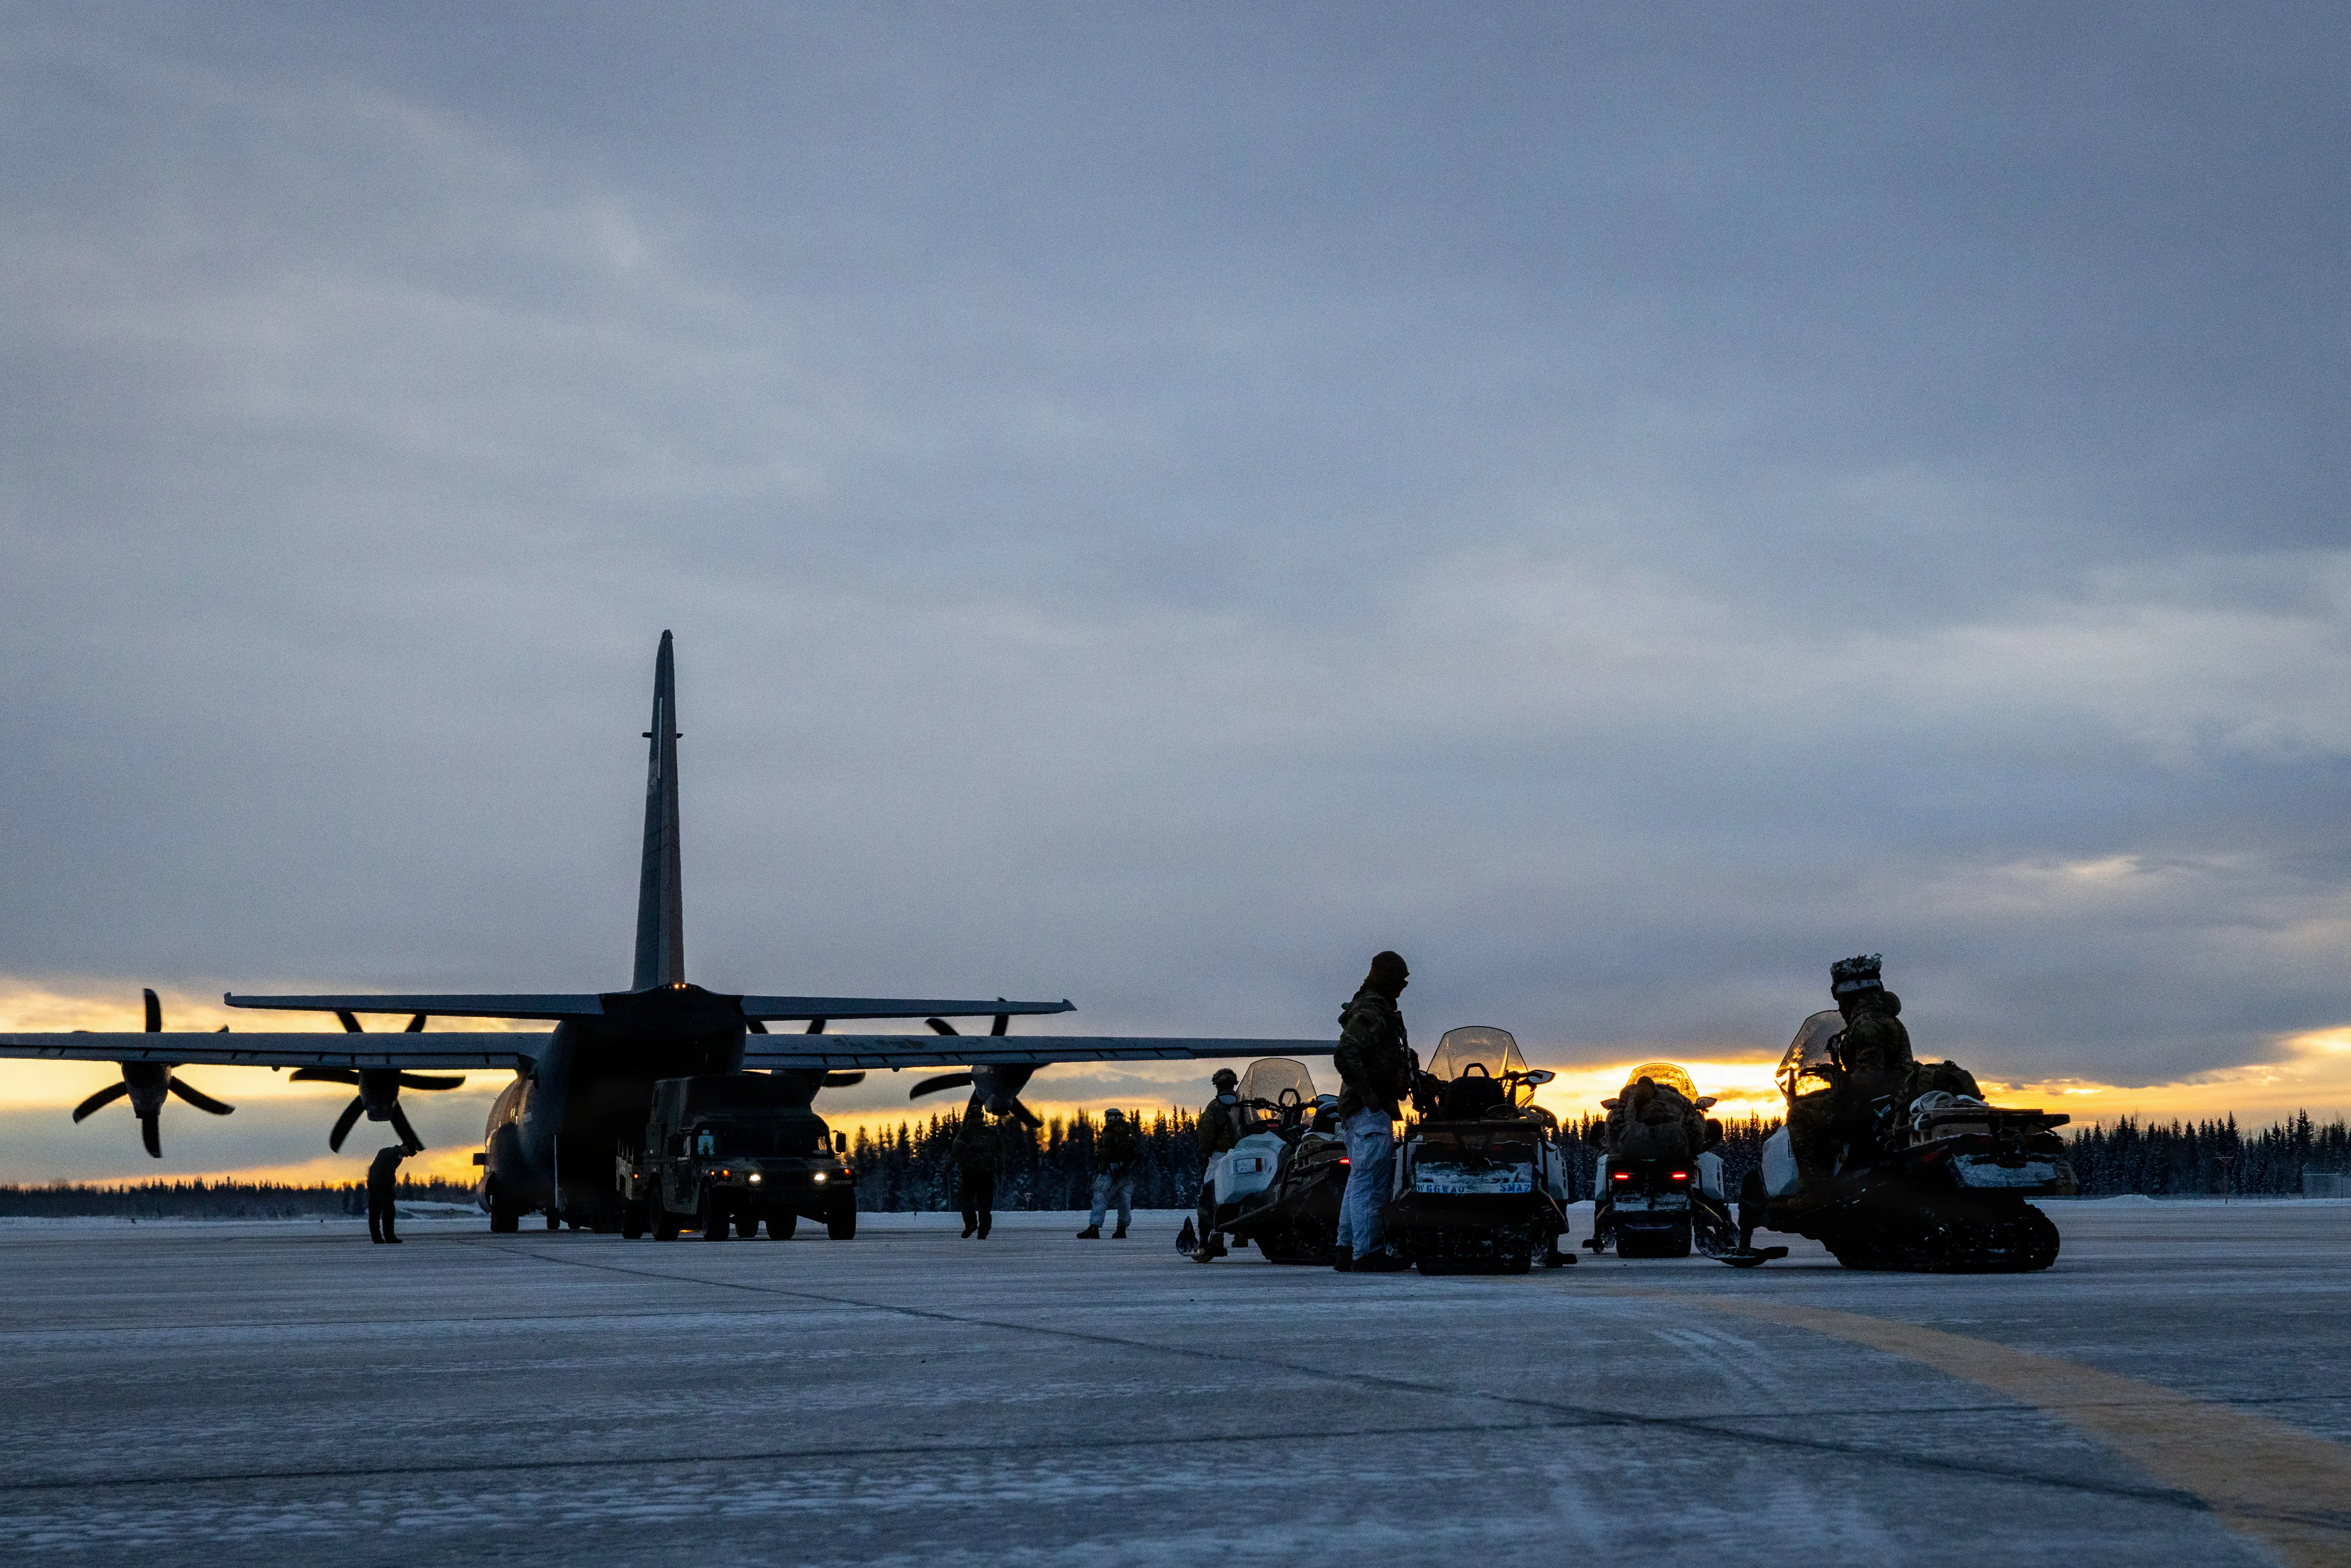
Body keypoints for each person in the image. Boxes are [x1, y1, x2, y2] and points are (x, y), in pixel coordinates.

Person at [1786, 953, 1918, 1209]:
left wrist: (1841, 1082)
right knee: (1815, 1104)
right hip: (1890, 1102)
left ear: (1850, 996)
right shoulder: (1885, 1019)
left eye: (1841, 1000)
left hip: (1873, 1106)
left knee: (1801, 1114)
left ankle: (1814, 1191)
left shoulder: (1867, 1024)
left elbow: (1870, 1079)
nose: (1840, 1008)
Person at [1331, 950, 1414, 1273]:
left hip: (1365, 1108)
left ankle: (1347, 1249)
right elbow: (1346, 1053)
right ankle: (1367, 1254)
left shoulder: (1371, 1006)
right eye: (1399, 982)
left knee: (1359, 1178)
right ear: (1386, 979)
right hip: (1369, 1109)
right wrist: (1369, 1095)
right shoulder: (1373, 1009)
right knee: (1371, 1181)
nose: (1402, 988)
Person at [1190, 1069, 1243, 1260]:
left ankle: (1207, 1240)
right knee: (1243, 1194)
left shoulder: (1214, 1107)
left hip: (1219, 1158)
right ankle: (1241, 1234)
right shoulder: (1245, 1106)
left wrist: (1206, 1152)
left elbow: (1206, 1134)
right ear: (1234, 1085)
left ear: (1217, 1085)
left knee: (1209, 1199)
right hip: (1242, 1156)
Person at [1078, 1107, 1139, 1239]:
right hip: (1125, 1173)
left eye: (1108, 1116)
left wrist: (1102, 1168)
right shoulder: (1127, 1134)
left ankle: (1094, 1228)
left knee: (1100, 1197)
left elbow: (1105, 1153)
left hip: (1111, 1171)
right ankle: (1122, 1229)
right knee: (1124, 1201)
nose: (1106, 1118)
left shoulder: (1109, 1134)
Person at [952, 1104, 1001, 1239]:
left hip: (970, 1174)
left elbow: (956, 1150)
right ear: (982, 1117)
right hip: (987, 1175)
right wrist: (1001, 1173)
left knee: (966, 1200)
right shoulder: (992, 1133)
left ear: (970, 1117)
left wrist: (948, 1167)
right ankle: (983, 1231)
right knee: (985, 1204)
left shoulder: (965, 1132)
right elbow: (1001, 1153)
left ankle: (971, 1223)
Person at [366, 1144, 407, 1244]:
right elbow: (390, 1169)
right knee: (389, 1211)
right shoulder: (398, 1155)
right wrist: (392, 1184)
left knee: (375, 1212)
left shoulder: (384, 1151)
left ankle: (377, 1238)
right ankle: (390, 1238)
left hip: (372, 1183)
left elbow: (373, 1167)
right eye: (408, 1153)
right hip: (383, 1185)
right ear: (405, 1148)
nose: (406, 1156)